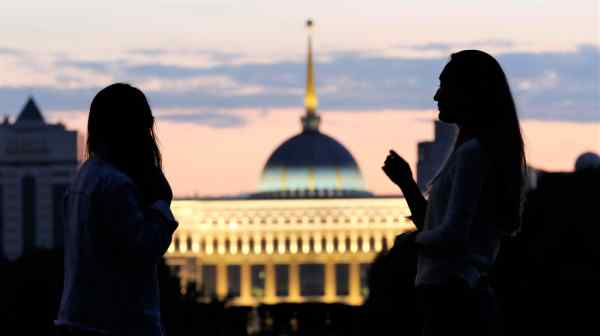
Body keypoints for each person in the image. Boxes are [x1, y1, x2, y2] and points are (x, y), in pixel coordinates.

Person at [382, 50, 527, 336]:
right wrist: (407, 185)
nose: (437, 96)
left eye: (444, 85)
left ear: (469, 92)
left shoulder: (472, 153)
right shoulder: (471, 151)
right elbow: (441, 229)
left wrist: (410, 242)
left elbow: (453, 237)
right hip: (456, 296)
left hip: (454, 301)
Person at [55, 83, 178, 335]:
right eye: (144, 127)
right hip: (118, 324)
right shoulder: (117, 184)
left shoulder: (83, 177)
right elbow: (144, 249)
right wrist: (161, 204)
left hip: (78, 317)